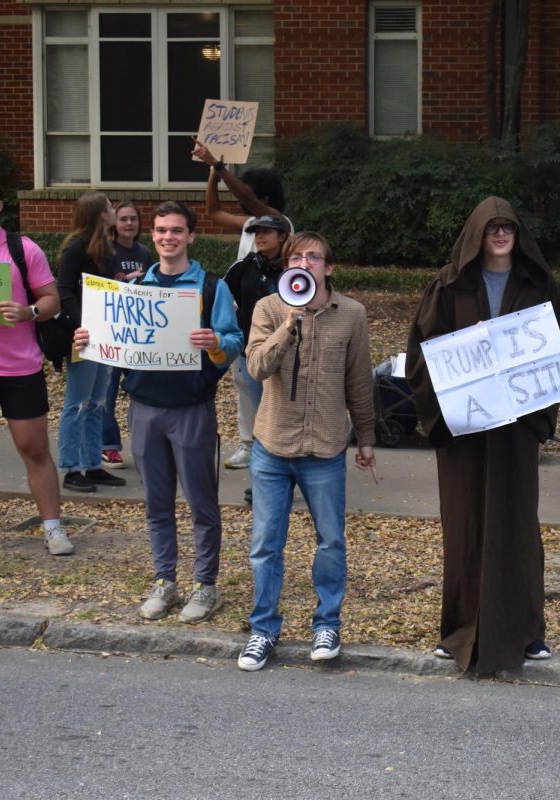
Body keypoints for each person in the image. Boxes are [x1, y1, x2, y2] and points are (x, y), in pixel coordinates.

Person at [406, 196, 560, 674]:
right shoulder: (449, 284)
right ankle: (459, 630)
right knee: (464, 525)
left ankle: (528, 633)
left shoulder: (537, 284)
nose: (500, 235)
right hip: (465, 428)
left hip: (516, 427)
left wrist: (539, 414)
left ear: (518, 235)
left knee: (517, 524)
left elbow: (557, 350)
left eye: (508, 228)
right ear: (476, 233)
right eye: (491, 228)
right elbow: (421, 352)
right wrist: (467, 348)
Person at [73, 201, 242, 622]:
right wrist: (87, 338)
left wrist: (215, 343)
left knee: (202, 503)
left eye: (177, 231)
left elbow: (234, 341)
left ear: (190, 236)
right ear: (154, 236)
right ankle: (165, 580)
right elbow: (114, 341)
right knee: (156, 503)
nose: (169, 238)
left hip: (191, 408)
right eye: (162, 231)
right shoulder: (133, 290)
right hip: (144, 407)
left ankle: (205, 585)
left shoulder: (210, 288)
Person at [236, 232, 376, 671]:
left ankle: (327, 624)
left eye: (313, 257)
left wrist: (367, 438)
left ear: (329, 268)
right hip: (273, 446)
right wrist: (288, 324)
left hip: (325, 446)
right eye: (296, 256)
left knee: (331, 541)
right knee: (265, 544)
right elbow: (257, 368)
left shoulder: (351, 314)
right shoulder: (269, 308)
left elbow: (358, 380)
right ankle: (263, 631)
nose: (305, 262)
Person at [190, 138, 292, 470]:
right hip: (245, 310)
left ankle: (274, 444)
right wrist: (211, 173)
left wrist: (220, 168)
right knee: (242, 382)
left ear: (263, 197)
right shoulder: (250, 225)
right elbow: (213, 211)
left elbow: (244, 198)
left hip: (273, 315)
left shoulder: (281, 222)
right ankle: (250, 443)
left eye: (248, 192)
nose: (242, 196)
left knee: (271, 384)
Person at [0, 177, 71, 555]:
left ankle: (53, 528)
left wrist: (28, 312)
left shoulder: (22, 249)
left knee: (34, 448)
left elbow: (51, 300)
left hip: (20, 368)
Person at [55, 192, 127, 494]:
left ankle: (92, 463)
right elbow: (64, 288)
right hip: (85, 335)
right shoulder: (77, 247)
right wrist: (80, 324)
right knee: (77, 402)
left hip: (104, 334)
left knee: (97, 402)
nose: (114, 211)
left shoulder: (104, 248)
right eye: (110, 207)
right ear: (100, 214)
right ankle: (71, 467)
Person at [222, 214, 289, 477]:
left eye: (267, 232)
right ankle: (262, 463)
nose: (259, 237)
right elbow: (224, 299)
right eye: (256, 232)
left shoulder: (295, 267)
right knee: (259, 406)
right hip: (251, 351)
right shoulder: (243, 266)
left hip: (290, 349)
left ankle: (287, 461)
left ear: (282, 236)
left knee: (285, 405)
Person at [100, 201, 155, 468]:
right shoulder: (105, 250)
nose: (129, 224)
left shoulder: (145, 252)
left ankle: (146, 445)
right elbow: (98, 287)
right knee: (106, 393)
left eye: (133, 219)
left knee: (143, 391)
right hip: (112, 331)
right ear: (114, 223)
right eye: (123, 219)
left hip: (138, 333)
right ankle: (108, 446)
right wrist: (126, 280)